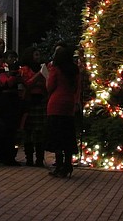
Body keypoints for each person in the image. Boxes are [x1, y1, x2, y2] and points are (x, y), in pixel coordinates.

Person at [45, 43, 81, 178]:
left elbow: (50, 87)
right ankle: (68, 164)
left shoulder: (56, 69)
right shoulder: (74, 70)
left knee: (56, 136)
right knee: (67, 135)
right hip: (69, 104)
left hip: (55, 104)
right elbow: (76, 87)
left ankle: (59, 166)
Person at [19, 47, 47, 166]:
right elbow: (27, 83)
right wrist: (38, 77)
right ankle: (29, 158)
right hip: (29, 102)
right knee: (28, 131)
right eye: (35, 54)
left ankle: (40, 159)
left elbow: (46, 84)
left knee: (39, 132)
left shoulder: (42, 69)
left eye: (38, 55)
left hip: (40, 101)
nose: (38, 57)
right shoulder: (24, 69)